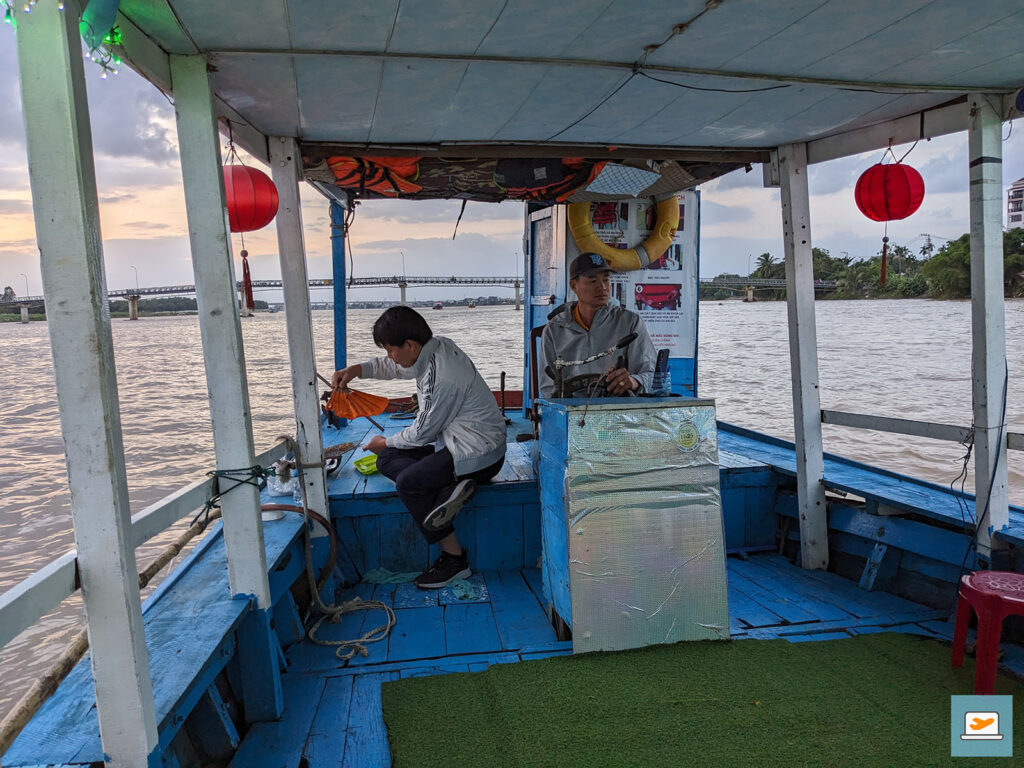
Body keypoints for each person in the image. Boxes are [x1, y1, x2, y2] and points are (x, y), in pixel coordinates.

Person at [332, 306, 506, 589]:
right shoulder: (435, 348)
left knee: (408, 484)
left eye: (391, 350)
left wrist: (384, 441)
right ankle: (448, 490)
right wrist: (356, 371)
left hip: (478, 456)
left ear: (410, 345)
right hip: (457, 444)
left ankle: (455, 560)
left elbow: (422, 433)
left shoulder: (443, 377)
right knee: (386, 459)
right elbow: (395, 366)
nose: (390, 356)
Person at [540, 252, 656, 398]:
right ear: (574, 286)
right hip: (571, 409)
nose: (602, 287)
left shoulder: (631, 323)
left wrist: (633, 381)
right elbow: (548, 388)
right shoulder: (554, 329)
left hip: (619, 408)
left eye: (606, 280)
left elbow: (651, 375)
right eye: (593, 280)